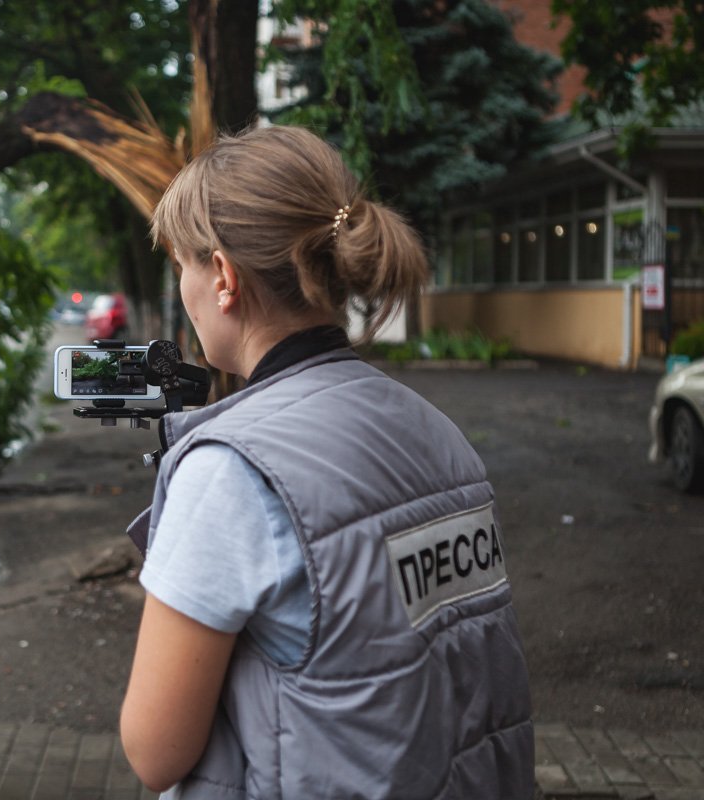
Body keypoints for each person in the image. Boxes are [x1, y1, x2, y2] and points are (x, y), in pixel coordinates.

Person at [119, 125, 533, 799]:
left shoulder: (229, 472)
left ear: (222, 277)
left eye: (182, 267)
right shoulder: (440, 433)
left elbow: (153, 751)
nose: (184, 292)